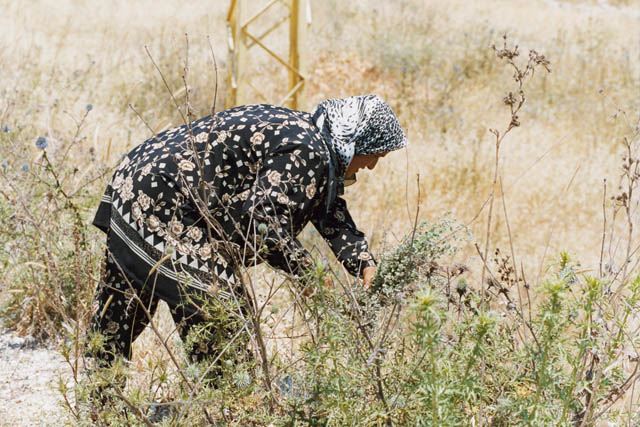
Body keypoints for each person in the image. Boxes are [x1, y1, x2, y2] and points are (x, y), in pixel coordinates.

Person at [88, 94, 408, 365]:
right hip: (164, 198)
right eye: (374, 154)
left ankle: (98, 404)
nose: (371, 165)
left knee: (122, 305)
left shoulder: (311, 139)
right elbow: (264, 226)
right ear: (356, 140)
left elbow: (325, 209)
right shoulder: (307, 150)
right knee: (223, 318)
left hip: (140, 178)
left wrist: (363, 261)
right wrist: (310, 279)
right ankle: (231, 409)